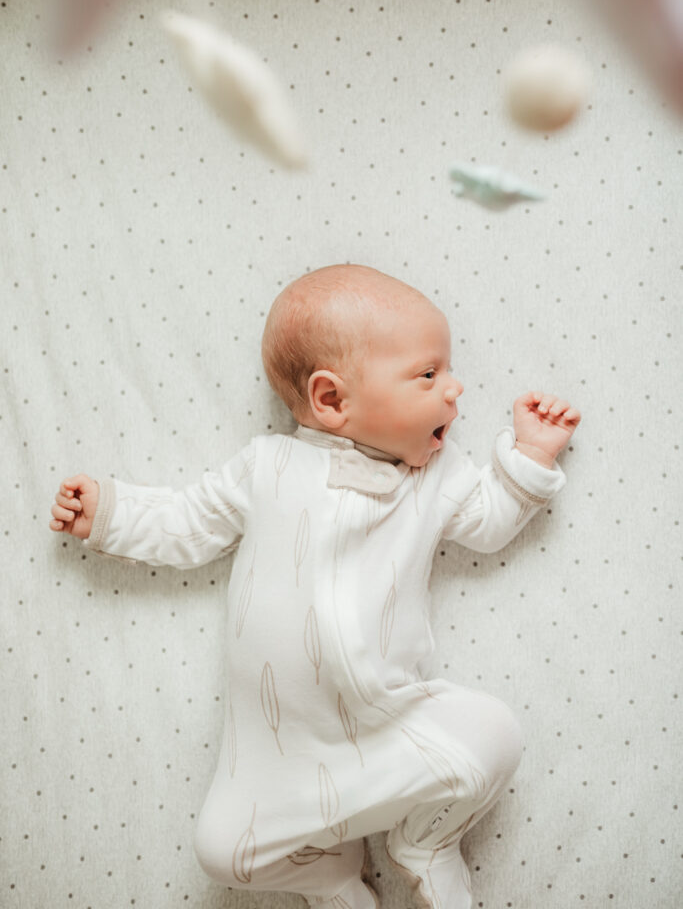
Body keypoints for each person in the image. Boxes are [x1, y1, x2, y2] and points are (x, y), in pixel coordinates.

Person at [49, 264, 581, 909]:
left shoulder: (440, 473)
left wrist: (530, 456)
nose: (455, 387)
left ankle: (426, 841)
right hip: (279, 752)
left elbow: (490, 523)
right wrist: (110, 514)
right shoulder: (268, 466)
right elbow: (190, 522)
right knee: (223, 854)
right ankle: (325, 876)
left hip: (391, 724)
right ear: (331, 400)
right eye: (428, 373)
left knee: (494, 734)